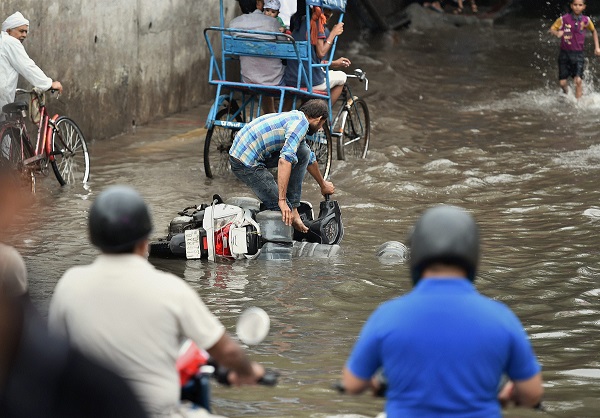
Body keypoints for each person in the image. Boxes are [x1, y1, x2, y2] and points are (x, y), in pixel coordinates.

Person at [48, 185, 265, 418]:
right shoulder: (171, 289)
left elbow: (52, 356)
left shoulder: (69, 285)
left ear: (94, 238)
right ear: (145, 240)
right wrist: (248, 370)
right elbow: (228, 351)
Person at [342, 205, 544, 417]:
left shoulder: (387, 315)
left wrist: (376, 381)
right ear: (473, 255)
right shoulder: (502, 317)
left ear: (416, 256)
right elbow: (532, 394)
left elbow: (352, 384)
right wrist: (510, 391)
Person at [229, 99, 334, 233]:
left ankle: (293, 207)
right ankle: (280, 224)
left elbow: (309, 159)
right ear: (319, 119)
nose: (320, 129)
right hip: (243, 162)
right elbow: (284, 161)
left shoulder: (297, 117)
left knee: (304, 152)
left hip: (250, 152)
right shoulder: (299, 125)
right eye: (322, 124)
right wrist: (282, 200)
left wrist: (322, 184)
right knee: (282, 210)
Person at [283, 0, 351, 106]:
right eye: (326, 10)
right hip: (309, 81)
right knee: (342, 77)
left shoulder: (298, 21)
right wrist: (333, 34)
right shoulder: (317, 24)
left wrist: (333, 63)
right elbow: (321, 53)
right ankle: (325, 116)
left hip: (291, 78)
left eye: (330, 10)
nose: (328, 13)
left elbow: (309, 59)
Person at [0, 12, 63, 117]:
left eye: (26, 31)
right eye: (21, 31)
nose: (24, 35)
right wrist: (49, 84)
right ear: (8, 31)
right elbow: (27, 66)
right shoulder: (10, 42)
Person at [230, 0, 286, 114]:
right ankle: (280, 115)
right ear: (259, 4)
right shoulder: (273, 23)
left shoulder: (234, 23)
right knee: (292, 75)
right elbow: (285, 47)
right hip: (273, 80)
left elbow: (233, 54)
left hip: (247, 78)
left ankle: (270, 114)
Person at [549, 0, 600, 99]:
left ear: (584, 7)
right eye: (575, 5)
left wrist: (597, 47)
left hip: (578, 54)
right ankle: (568, 95)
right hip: (564, 54)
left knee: (578, 80)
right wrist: (557, 33)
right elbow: (552, 29)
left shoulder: (586, 20)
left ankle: (578, 103)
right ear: (571, 6)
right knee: (562, 83)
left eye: (580, 5)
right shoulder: (563, 19)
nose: (577, 7)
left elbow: (594, 31)